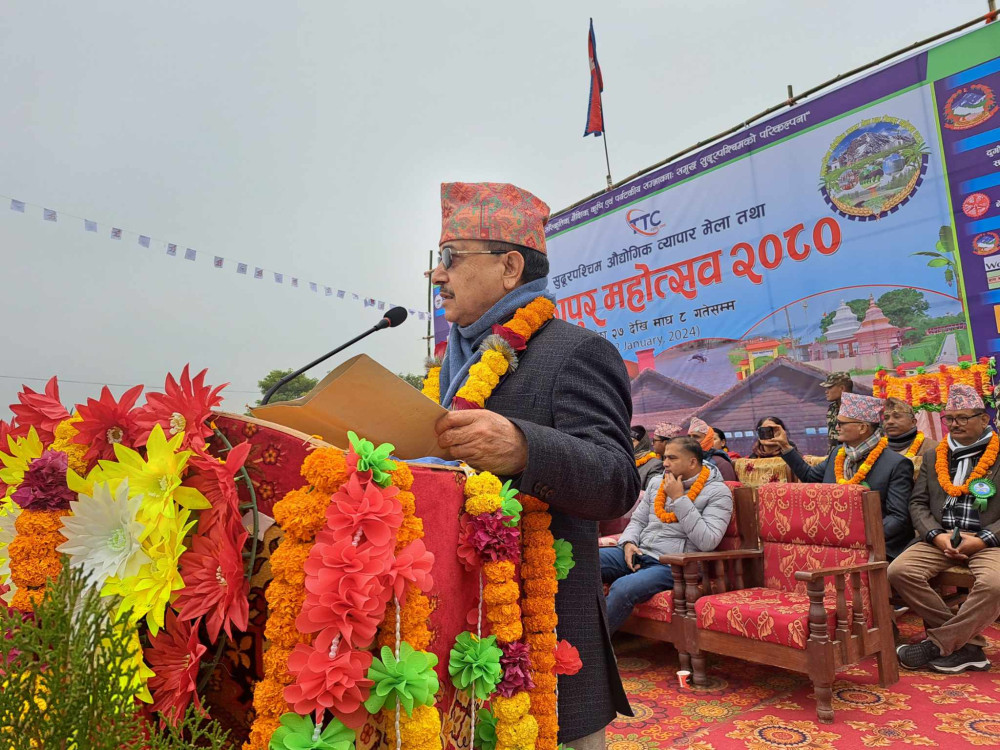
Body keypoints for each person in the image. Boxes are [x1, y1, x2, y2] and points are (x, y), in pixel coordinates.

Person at [431, 182, 639, 747]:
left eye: (450, 259)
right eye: (437, 260)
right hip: (457, 630)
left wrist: (526, 448)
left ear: (510, 266)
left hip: (541, 636)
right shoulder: (451, 365)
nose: (437, 275)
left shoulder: (574, 351)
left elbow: (619, 481)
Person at [890, 384, 1000, 674]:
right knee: (899, 571)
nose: (955, 424)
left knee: (995, 585)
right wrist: (935, 536)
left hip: (988, 540)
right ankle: (968, 646)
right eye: (949, 419)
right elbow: (918, 504)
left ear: (984, 419)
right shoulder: (934, 455)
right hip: (940, 538)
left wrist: (983, 540)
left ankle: (938, 644)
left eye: (963, 417)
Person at [600, 436, 733, 633]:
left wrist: (679, 499)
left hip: (674, 565)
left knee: (622, 587)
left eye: (672, 458)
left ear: (692, 462)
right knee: (582, 562)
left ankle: (592, 650)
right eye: (664, 457)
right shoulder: (656, 483)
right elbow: (638, 521)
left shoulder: (718, 492)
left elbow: (707, 541)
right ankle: (558, 633)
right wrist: (628, 542)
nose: (665, 463)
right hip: (640, 551)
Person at [762, 392, 914, 560]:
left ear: (862, 427)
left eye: (841, 423)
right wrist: (785, 446)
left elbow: (898, 518)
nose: (836, 427)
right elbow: (810, 477)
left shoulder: (896, 464)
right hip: (837, 541)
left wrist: (858, 536)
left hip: (879, 546)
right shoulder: (838, 454)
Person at [883, 396, 938, 461]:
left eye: (897, 417)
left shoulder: (933, 448)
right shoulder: (876, 449)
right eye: (886, 418)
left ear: (913, 422)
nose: (890, 422)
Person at [686, 417, 737, 482]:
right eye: (689, 437)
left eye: (696, 436)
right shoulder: (685, 461)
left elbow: (730, 489)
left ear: (707, 439)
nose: (691, 440)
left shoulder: (721, 463)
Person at [822, 371, 854, 450]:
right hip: (835, 456)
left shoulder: (858, 408)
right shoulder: (832, 408)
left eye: (829, 387)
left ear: (842, 388)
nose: (826, 391)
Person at [631, 425, 664, 492]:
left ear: (642, 444)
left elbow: (652, 495)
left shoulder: (655, 465)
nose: (628, 444)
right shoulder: (624, 462)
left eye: (632, 441)